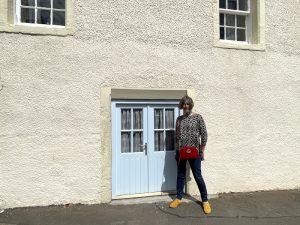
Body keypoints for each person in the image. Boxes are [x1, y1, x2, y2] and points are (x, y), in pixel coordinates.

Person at [169, 95, 212, 214]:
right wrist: (176, 152)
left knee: (198, 176)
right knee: (181, 175)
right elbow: (176, 137)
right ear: (182, 106)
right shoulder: (179, 119)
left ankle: (205, 201)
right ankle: (178, 198)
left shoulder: (198, 118)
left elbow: (204, 135)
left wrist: (201, 150)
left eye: (188, 106)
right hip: (181, 152)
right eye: (184, 106)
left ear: (191, 106)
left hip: (195, 152)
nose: (186, 108)